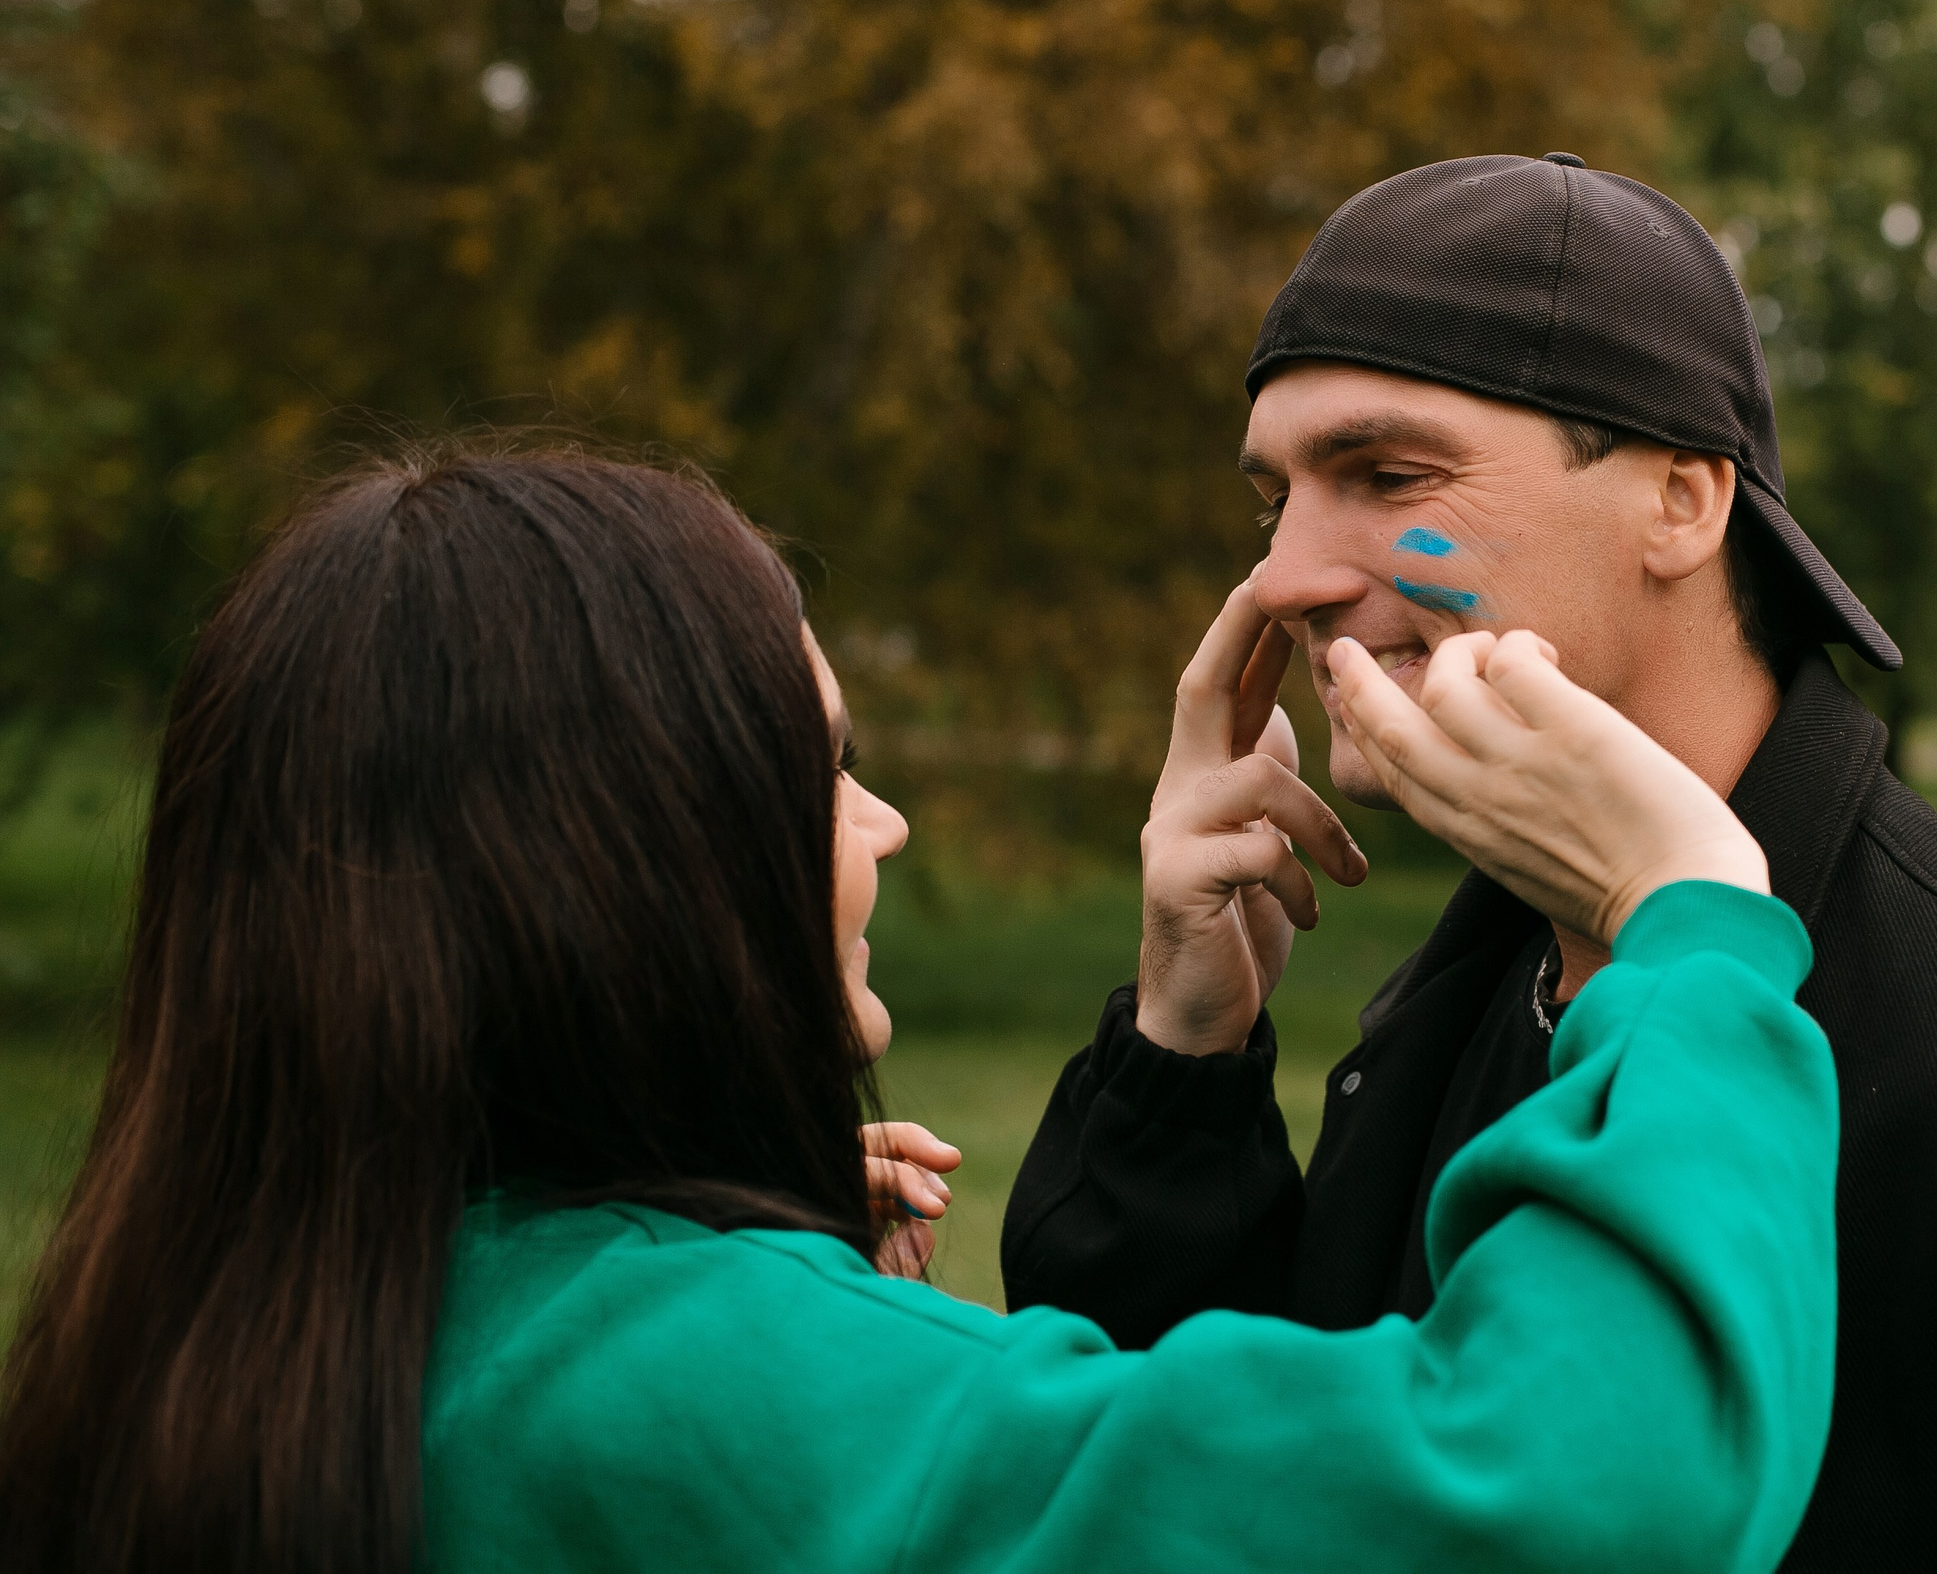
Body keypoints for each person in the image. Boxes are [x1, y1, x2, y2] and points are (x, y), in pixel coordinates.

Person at [0, 449, 1840, 1574]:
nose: (880, 823)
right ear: (624, 863)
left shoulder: (214, 1325)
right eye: (824, 769)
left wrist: (803, 1299)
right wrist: (1686, 926)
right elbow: (1579, 1498)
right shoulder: (713, 1400)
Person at [1002, 154, 1937, 1570]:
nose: (1291, 575)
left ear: (1685, 502)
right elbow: (1235, 1500)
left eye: (1387, 474)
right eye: (1275, 501)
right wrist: (1182, 1066)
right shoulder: (1480, 985)